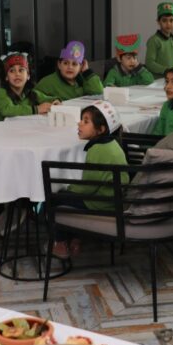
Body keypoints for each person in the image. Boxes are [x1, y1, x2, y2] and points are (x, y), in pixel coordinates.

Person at [50, 101, 129, 259]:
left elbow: (87, 188)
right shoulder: (111, 143)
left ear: (101, 129)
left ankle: (60, 243)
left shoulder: (97, 149)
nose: (79, 123)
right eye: (81, 120)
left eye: (86, 121)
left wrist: (68, 189)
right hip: (115, 198)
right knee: (66, 197)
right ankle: (76, 239)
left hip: (102, 202)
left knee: (53, 199)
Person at [0, 52, 55, 121]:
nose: (17, 74)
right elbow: (8, 110)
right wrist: (36, 109)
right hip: (2, 127)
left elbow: (47, 99)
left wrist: (55, 101)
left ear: (28, 75)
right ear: (6, 77)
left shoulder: (31, 92)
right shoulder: (1, 92)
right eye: (12, 71)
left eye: (21, 70)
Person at [35, 41, 104, 101]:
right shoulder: (48, 82)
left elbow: (98, 92)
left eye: (74, 64)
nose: (70, 67)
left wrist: (87, 72)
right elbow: (33, 96)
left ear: (80, 67)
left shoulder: (84, 80)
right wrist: (52, 100)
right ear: (59, 64)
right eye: (65, 63)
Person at [145, 1, 173, 78]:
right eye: (164, 20)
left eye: (171, 20)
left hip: (171, 79)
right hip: (157, 80)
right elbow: (149, 63)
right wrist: (166, 70)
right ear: (158, 22)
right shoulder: (154, 40)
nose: (168, 24)